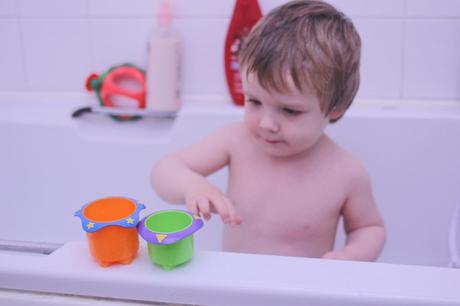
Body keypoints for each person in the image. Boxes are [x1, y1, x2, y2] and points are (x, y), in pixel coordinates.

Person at [151, 0, 385, 261]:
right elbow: (165, 170)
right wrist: (191, 186)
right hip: (237, 287)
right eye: (254, 101)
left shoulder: (346, 172)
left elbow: (368, 228)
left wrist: (350, 256)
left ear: (334, 108)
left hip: (300, 293)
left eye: (289, 111)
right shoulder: (235, 141)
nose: (266, 124)